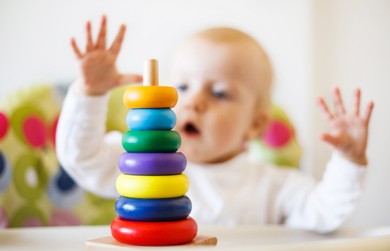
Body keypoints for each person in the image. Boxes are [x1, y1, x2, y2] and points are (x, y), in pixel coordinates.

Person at [56, 15, 374, 233]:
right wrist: (89, 95)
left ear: (254, 124)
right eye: (181, 88)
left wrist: (349, 160)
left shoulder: (275, 187)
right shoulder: (141, 166)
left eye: (219, 92)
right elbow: (82, 159)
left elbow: (326, 213)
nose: (194, 101)